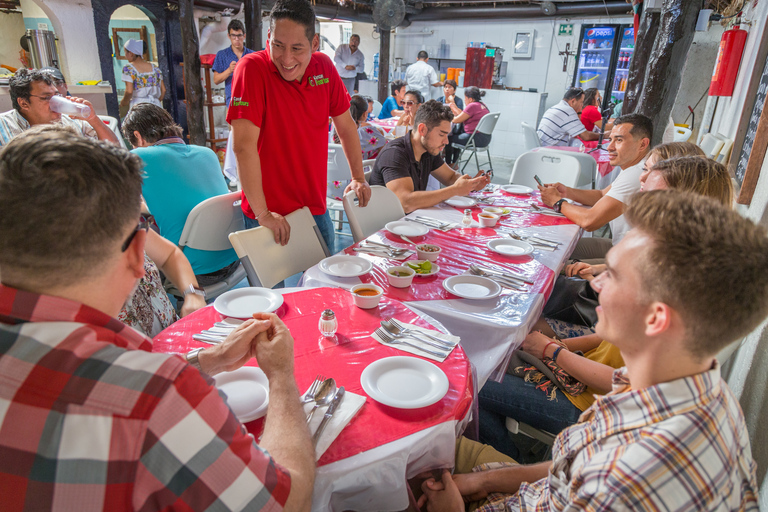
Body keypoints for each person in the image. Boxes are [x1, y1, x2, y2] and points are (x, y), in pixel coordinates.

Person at [0, 128, 315, 510]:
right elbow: (284, 501)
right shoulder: (154, 396)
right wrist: (281, 376)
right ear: (137, 254)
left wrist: (206, 360)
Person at [419, 190, 768, 511]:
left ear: (656, 318)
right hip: (541, 490)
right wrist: (486, 479)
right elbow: (573, 466)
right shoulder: (691, 386)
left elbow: (594, 479)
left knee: (417, 458)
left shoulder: (618, 483)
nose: (596, 283)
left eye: (613, 276)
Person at [480, 153, 735, 456]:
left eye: (649, 193)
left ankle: (513, 461)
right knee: (497, 353)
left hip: (590, 403)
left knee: (476, 381)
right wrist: (563, 345)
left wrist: (552, 350)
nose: (638, 197)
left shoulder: (676, 288)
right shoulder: (679, 263)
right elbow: (613, 341)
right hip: (592, 370)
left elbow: (620, 384)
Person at [227, 0, 371, 254]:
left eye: (297, 48)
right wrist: (263, 213)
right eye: (278, 46)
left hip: (313, 208)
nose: (287, 58)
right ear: (269, 36)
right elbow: (243, 147)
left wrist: (358, 177)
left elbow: (346, 127)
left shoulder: (324, 67)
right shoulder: (251, 69)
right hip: (267, 213)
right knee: (270, 294)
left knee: (324, 286)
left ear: (315, 43)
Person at [122, 104, 240, 284]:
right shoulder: (207, 153)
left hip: (190, 271)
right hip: (234, 258)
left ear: (138, 136)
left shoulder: (139, 157)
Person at [539, 113, 652, 259]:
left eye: (619, 140)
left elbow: (589, 221)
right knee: (554, 248)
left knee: (552, 259)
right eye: (610, 139)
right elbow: (601, 195)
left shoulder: (638, 173)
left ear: (643, 144)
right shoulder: (637, 166)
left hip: (632, 260)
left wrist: (557, 202)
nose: (610, 147)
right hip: (621, 247)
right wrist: (566, 192)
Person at [369, 100, 490, 213]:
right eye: (442, 134)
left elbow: (450, 176)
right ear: (422, 130)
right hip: (387, 226)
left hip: (413, 218)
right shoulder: (394, 153)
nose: (446, 141)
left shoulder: (427, 150)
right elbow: (405, 202)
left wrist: (471, 184)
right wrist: (454, 190)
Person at [119, 229, 208, 337]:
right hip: (131, 351)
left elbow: (169, 255)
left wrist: (193, 294)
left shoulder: (122, 221)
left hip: (173, 335)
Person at [0, 68, 119, 147]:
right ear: (24, 103)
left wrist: (93, 119)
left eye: (57, 95)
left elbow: (113, 150)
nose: (56, 102)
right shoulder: (3, 128)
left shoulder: (72, 120)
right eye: (47, 97)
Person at [328, 95, 387, 200]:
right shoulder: (366, 131)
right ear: (365, 114)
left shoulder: (334, 127)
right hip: (354, 187)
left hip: (330, 186)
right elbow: (384, 143)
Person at [537, 87, 601, 146]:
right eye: (581, 102)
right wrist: (604, 135)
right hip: (549, 150)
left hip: (542, 146)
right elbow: (586, 136)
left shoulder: (555, 107)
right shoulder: (568, 111)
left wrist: (578, 112)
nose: (582, 106)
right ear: (573, 101)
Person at [212, 19, 255, 108]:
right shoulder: (222, 54)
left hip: (251, 102)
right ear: (229, 36)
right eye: (233, 36)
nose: (236, 39)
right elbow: (216, 80)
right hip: (233, 103)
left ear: (244, 36)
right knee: (233, 122)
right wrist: (230, 70)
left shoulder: (253, 55)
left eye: (239, 35)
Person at [445, 86, 491, 168]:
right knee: (457, 135)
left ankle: (449, 165)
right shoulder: (482, 105)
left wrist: (444, 116)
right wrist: (455, 107)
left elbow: (456, 120)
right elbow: (464, 115)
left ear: (470, 99)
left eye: (465, 98)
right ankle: (455, 164)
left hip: (474, 139)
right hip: (485, 139)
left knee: (448, 138)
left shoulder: (472, 106)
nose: (465, 100)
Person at [120, 39, 165, 115]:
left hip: (139, 106)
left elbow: (129, 91)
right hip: (156, 106)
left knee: (141, 126)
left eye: (125, 52)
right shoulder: (155, 68)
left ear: (131, 53)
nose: (125, 55)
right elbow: (163, 90)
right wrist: (156, 101)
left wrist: (123, 102)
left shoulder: (128, 68)